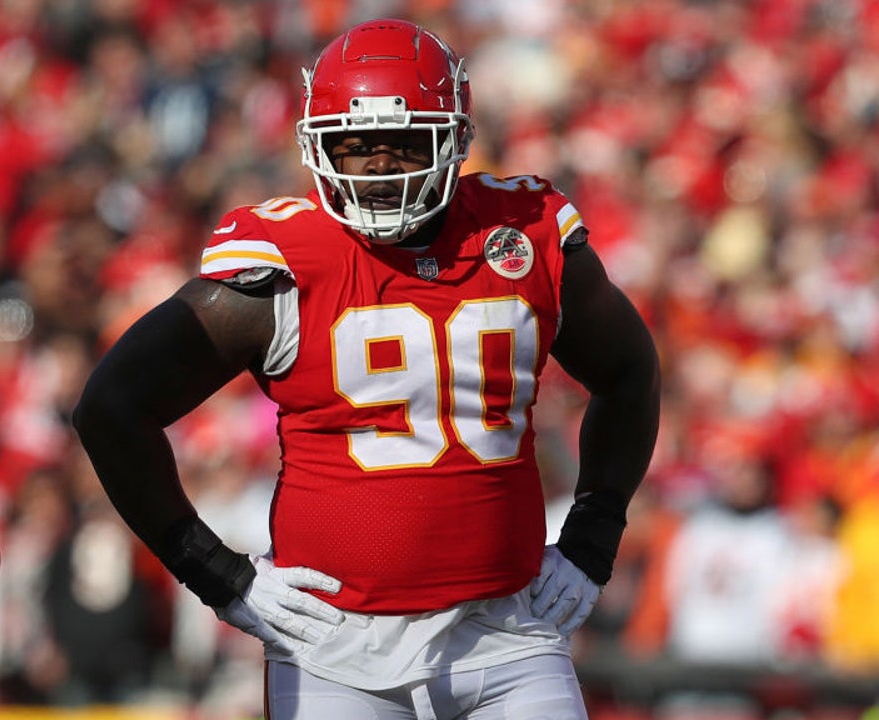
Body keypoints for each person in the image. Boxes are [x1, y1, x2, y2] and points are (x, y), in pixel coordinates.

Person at [73, 18, 661, 720]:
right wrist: (211, 569)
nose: (381, 167)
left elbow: (630, 372)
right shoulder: (281, 266)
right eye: (354, 146)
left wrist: (596, 530)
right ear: (316, 147)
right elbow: (111, 407)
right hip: (335, 649)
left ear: (455, 138)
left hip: (507, 632)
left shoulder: (523, 233)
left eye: (405, 142)